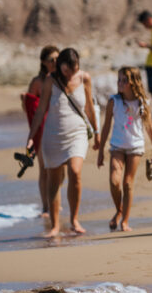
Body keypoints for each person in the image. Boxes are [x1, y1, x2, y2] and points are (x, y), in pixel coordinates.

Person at [25, 48, 98, 237]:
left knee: (75, 171)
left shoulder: (84, 78)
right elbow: (40, 110)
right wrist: (32, 136)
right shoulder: (50, 80)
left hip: (77, 133)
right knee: (54, 179)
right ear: (60, 66)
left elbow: (89, 107)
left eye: (74, 70)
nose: (70, 75)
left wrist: (97, 132)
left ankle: (74, 219)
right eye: (67, 71)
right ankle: (55, 225)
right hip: (53, 135)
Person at [95, 66, 152, 232]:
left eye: (124, 80)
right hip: (117, 146)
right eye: (119, 80)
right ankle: (119, 210)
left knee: (127, 183)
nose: (120, 83)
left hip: (135, 147)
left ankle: (124, 220)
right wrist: (101, 151)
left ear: (133, 83)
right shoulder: (114, 101)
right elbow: (106, 126)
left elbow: (150, 128)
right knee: (114, 181)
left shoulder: (143, 102)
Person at [22, 44, 59, 219]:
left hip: (60, 127)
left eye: (58, 59)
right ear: (44, 62)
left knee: (60, 170)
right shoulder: (38, 82)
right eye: (52, 60)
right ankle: (46, 207)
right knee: (44, 169)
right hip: (43, 130)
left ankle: (54, 201)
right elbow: (30, 110)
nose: (55, 62)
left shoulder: (63, 78)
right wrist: (33, 136)